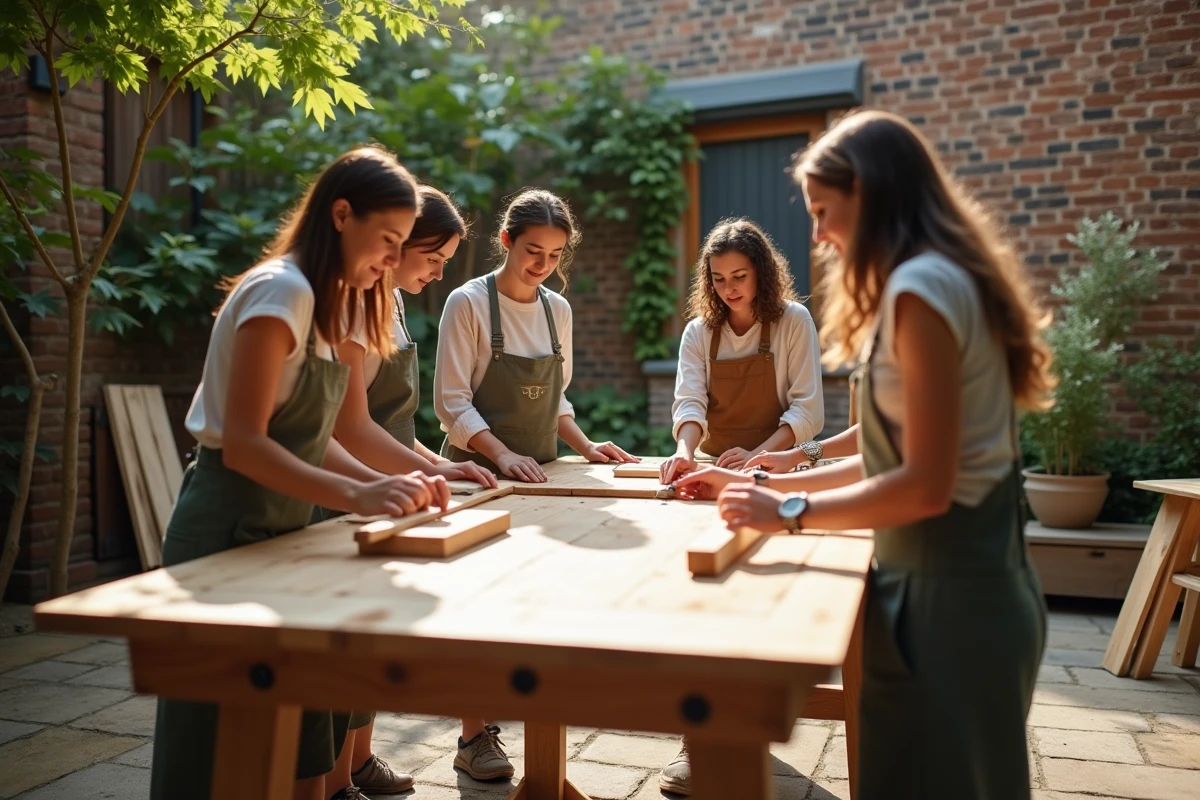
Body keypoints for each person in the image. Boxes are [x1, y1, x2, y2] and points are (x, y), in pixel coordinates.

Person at [673, 109, 1052, 800]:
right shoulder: (941, 278)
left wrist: (788, 509)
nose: (817, 234)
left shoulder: (919, 292)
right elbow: (892, 456)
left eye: (824, 211)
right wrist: (766, 475)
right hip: (955, 592)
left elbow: (925, 485)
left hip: (948, 607)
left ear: (873, 194)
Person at [150, 146, 443, 800]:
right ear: (341, 214)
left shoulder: (331, 303)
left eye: (402, 246)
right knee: (214, 753)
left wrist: (398, 480)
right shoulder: (279, 292)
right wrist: (363, 490)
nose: (394, 262)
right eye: (389, 241)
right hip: (225, 530)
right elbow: (250, 446)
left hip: (285, 535)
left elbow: (322, 435)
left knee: (298, 740)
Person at [327, 184, 499, 790]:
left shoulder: (393, 304)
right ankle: (338, 775)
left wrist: (440, 464)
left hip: (386, 480)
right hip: (351, 488)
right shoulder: (351, 305)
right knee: (345, 643)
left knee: (371, 639)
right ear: (397, 246)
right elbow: (352, 426)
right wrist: (420, 473)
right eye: (434, 257)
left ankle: (359, 761)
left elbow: (396, 424)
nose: (439, 271)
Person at [434, 188, 638, 485]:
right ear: (507, 239)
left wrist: (586, 446)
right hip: (476, 477)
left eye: (555, 255)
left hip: (542, 475)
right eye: (533, 252)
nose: (544, 266)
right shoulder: (467, 302)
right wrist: (503, 455)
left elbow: (553, 400)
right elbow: (452, 403)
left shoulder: (558, 310)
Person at [658, 218, 824, 487]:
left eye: (739, 277)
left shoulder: (795, 320)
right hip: (713, 465)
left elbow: (807, 410)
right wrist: (684, 453)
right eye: (718, 279)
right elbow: (690, 403)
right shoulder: (697, 332)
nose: (728, 289)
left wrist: (757, 456)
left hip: (779, 469)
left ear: (761, 271)